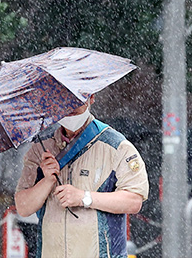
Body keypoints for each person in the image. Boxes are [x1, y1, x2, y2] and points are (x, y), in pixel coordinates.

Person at [15, 95, 149, 258]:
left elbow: (134, 200)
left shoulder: (115, 145)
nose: (70, 105)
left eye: (76, 97)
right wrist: (48, 180)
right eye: (63, 98)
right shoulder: (40, 148)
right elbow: (23, 207)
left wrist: (84, 198)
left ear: (91, 97)